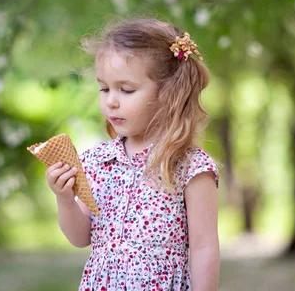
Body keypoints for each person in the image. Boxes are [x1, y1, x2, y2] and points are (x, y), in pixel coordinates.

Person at [45, 18, 220, 290]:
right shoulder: (96, 162)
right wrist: (65, 200)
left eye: (126, 90)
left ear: (167, 93)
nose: (111, 100)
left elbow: (204, 247)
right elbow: (81, 237)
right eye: (104, 88)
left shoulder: (190, 167)